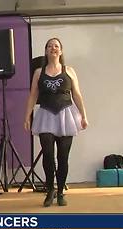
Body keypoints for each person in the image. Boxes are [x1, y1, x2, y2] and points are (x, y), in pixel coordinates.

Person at [24, 38, 88, 207]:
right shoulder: (39, 72)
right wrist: (27, 116)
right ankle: (50, 189)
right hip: (45, 115)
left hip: (66, 115)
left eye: (56, 46)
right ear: (46, 51)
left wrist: (84, 115)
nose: (53, 48)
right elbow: (33, 96)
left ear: (61, 51)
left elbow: (77, 94)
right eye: (50, 46)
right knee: (47, 155)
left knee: (63, 157)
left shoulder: (70, 71)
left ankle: (60, 192)